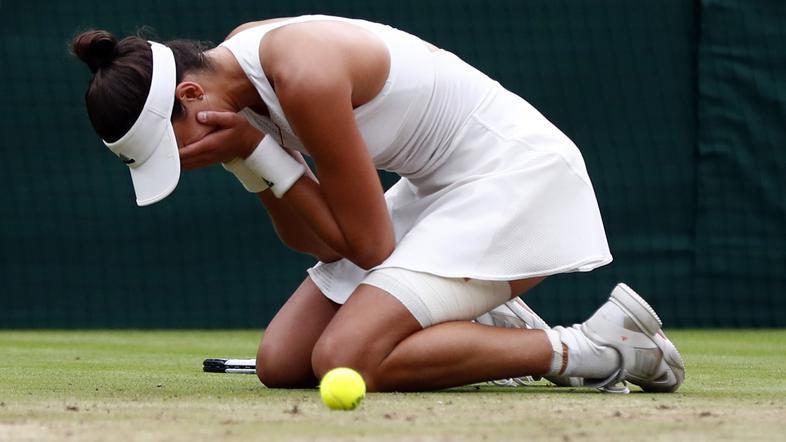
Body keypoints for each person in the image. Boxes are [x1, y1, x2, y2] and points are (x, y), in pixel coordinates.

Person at [71, 15, 684, 393]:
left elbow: (368, 248)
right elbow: (320, 241)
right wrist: (250, 159)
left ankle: (601, 349)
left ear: (190, 92)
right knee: (281, 363)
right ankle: (478, 323)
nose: (187, 162)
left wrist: (260, 148)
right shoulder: (235, 74)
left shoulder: (303, 76)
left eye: (175, 148)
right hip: (437, 190)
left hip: (516, 178)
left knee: (346, 357)